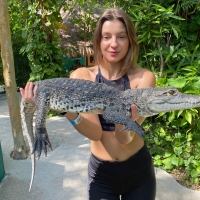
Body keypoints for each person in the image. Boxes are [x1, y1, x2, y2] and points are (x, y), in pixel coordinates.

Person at [20, 8, 156, 200]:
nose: (114, 44)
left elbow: (125, 139)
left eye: (121, 37)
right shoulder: (81, 76)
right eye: (106, 36)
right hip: (102, 175)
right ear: (98, 40)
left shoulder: (145, 78)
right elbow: (95, 133)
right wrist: (64, 110)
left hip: (139, 172)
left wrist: (123, 119)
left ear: (130, 40)